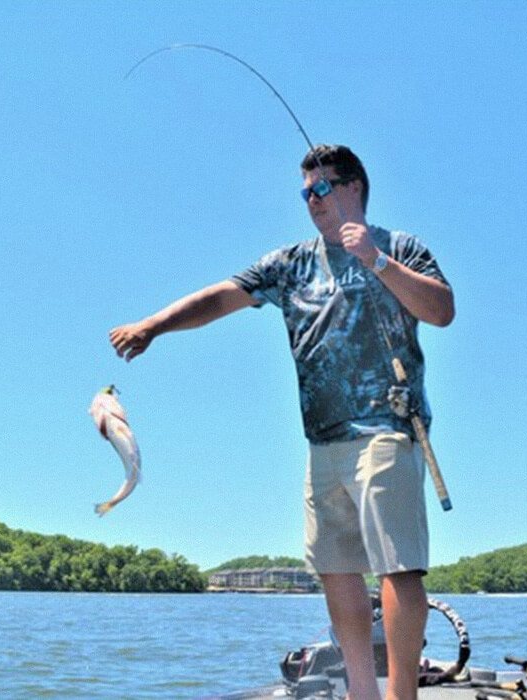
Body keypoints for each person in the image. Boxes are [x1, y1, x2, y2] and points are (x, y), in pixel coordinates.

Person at [110, 144, 454, 700]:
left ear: (354, 188)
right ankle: (361, 693)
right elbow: (222, 297)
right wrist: (152, 325)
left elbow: (441, 310)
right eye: (305, 193)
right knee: (337, 570)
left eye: (321, 189)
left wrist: (377, 261)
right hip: (322, 441)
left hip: (387, 429)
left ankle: (402, 696)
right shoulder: (289, 263)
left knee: (398, 567)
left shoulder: (401, 248)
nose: (312, 201)